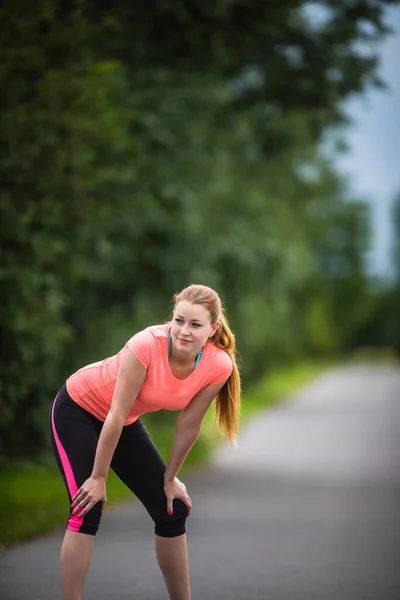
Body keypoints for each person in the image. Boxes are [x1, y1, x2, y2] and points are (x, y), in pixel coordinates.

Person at [50, 283, 241, 600]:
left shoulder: (218, 365)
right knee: (87, 508)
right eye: (178, 320)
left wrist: (169, 478)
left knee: (172, 509)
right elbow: (114, 413)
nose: (183, 331)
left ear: (213, 329)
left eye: (195, 324)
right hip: (77, 409)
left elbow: (189, 424)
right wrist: (98, 478)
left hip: (121, 422)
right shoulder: (146, 346)